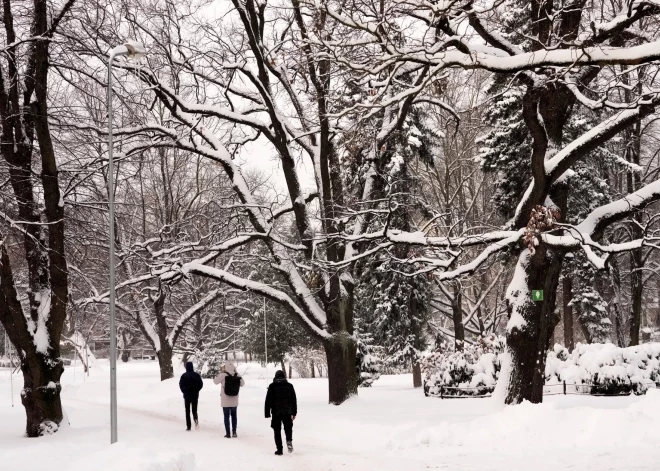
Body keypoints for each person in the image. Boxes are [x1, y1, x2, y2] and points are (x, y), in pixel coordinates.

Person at [265, 370, 297, 456]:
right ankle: (289, 441)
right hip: (287, 411)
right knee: (288, 428)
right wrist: (294, 413)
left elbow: (268, 400)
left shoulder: (272, 386)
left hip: (276, 412)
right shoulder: (289, 386)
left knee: (277, 431)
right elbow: (294, 400)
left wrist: (267, 413)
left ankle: (279, 449)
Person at [213, 362, 245, 438]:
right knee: (234, 416)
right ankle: (234, 432)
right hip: (234, 400)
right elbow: (243, 384)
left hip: (225, 400)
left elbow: (215, 382)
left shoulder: (223, 375)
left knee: (226, 416)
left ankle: (228, 433)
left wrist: (220, 374)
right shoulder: (237, 375)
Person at [179, 361, 204, 431]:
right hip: (195, 395)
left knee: (187, 411)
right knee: (194, 410)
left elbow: (181, 385)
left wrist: (184, 390)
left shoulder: (184, 376)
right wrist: (197, 390)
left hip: (187, 395)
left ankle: (188, 426)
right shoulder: (196, 375)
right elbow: (201, 384)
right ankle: (196, 422)